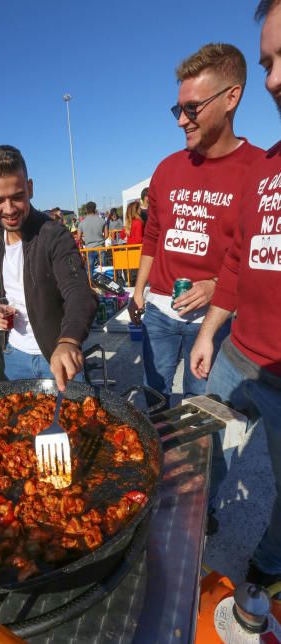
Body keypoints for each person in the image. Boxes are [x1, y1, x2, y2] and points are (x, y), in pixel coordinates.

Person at [190, 1, 281, 585]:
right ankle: (202, 519)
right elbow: (236, 263)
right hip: (238, 353)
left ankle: (269, 567)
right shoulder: (266, 170)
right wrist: (207, 332)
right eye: (270, 61)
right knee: (201, 443)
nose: (274, 78)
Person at [128, 43, 263, 408]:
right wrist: (139, 291)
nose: (180, 120)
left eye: (192, 108)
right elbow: (153, 236)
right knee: (153, 402)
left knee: (200, 411)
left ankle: (193, 466)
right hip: (159, 311)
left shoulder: (260, 171)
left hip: (215, 320)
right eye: (178, 108)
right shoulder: (167, 168)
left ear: (231, 97)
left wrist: (215, 286)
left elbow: (257, 260)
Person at [0, 145, 97, 390]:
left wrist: (68, 341)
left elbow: (80, 294)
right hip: (13, 356)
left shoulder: (54, 234)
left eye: (18, 196)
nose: (9, 209)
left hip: (54, 356)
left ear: (30, 188)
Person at [78, 201, 106, 271]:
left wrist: (84, 243)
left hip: (89, 248)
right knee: (102, 269)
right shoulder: (102, 220)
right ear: (95, 209)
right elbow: (107, 234)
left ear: (86, 210)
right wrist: (101, 240)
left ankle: (90, 281)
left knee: (89, 270)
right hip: (100, 247)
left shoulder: (81, 223)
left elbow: (78, 238)